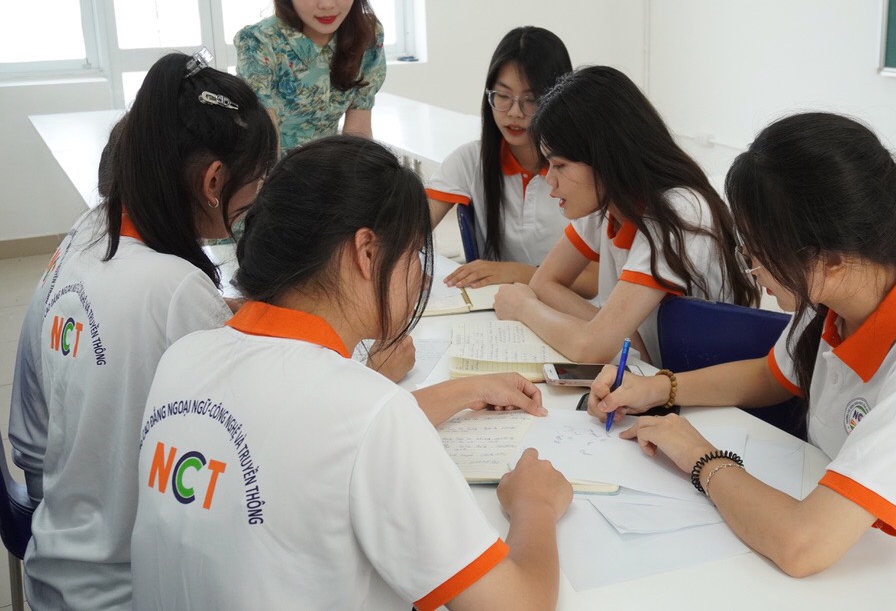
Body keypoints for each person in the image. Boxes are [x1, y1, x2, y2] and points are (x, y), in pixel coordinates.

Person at [131, 135, 573, 610]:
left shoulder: (184, 356)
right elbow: (517, 605)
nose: (419, 278)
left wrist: (462, 391)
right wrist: (534, 505)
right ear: (366, 252)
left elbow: (314, 440)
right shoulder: (367, 412)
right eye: (412, 256)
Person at [588, 113, 896, 577]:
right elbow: (769, 376)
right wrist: (658, 388)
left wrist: (700, 456)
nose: (754, 271)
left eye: (758, 253)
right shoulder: (832, 291)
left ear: (834, 257)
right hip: (838, 515)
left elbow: (803, 546)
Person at [7, 50, 278, 608]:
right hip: (127, 591)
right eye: (256, 183)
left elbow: (32, 440)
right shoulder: (173, 289)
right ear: (213, 181)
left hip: (54, 558)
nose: (256, 199)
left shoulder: (87, 234)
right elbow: (275, 448)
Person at [493, 65, 758, 364]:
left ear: (606, 157)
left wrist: (524, 308)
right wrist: (613, 335)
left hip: (700, 397)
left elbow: (592, 347)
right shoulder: (603, 204)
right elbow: (544, 284)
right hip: (649, 379)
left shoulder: (681, 212)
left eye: (561, 165)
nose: (549, 180)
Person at [426, 26, 596, 296]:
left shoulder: (584, 171)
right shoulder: (470, 160)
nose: (514, 113)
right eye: (503, 96)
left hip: (572, 312)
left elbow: (595, 282)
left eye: (531, 100)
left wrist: (520, 273)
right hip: (503, 311)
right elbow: (410, 231)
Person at [235, 0, 385, 150]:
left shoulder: (367, 36)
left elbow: (358, 135)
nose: (327, 4)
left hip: (326, 172)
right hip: (269, 175)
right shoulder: (260, 43)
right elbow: (264, 148)